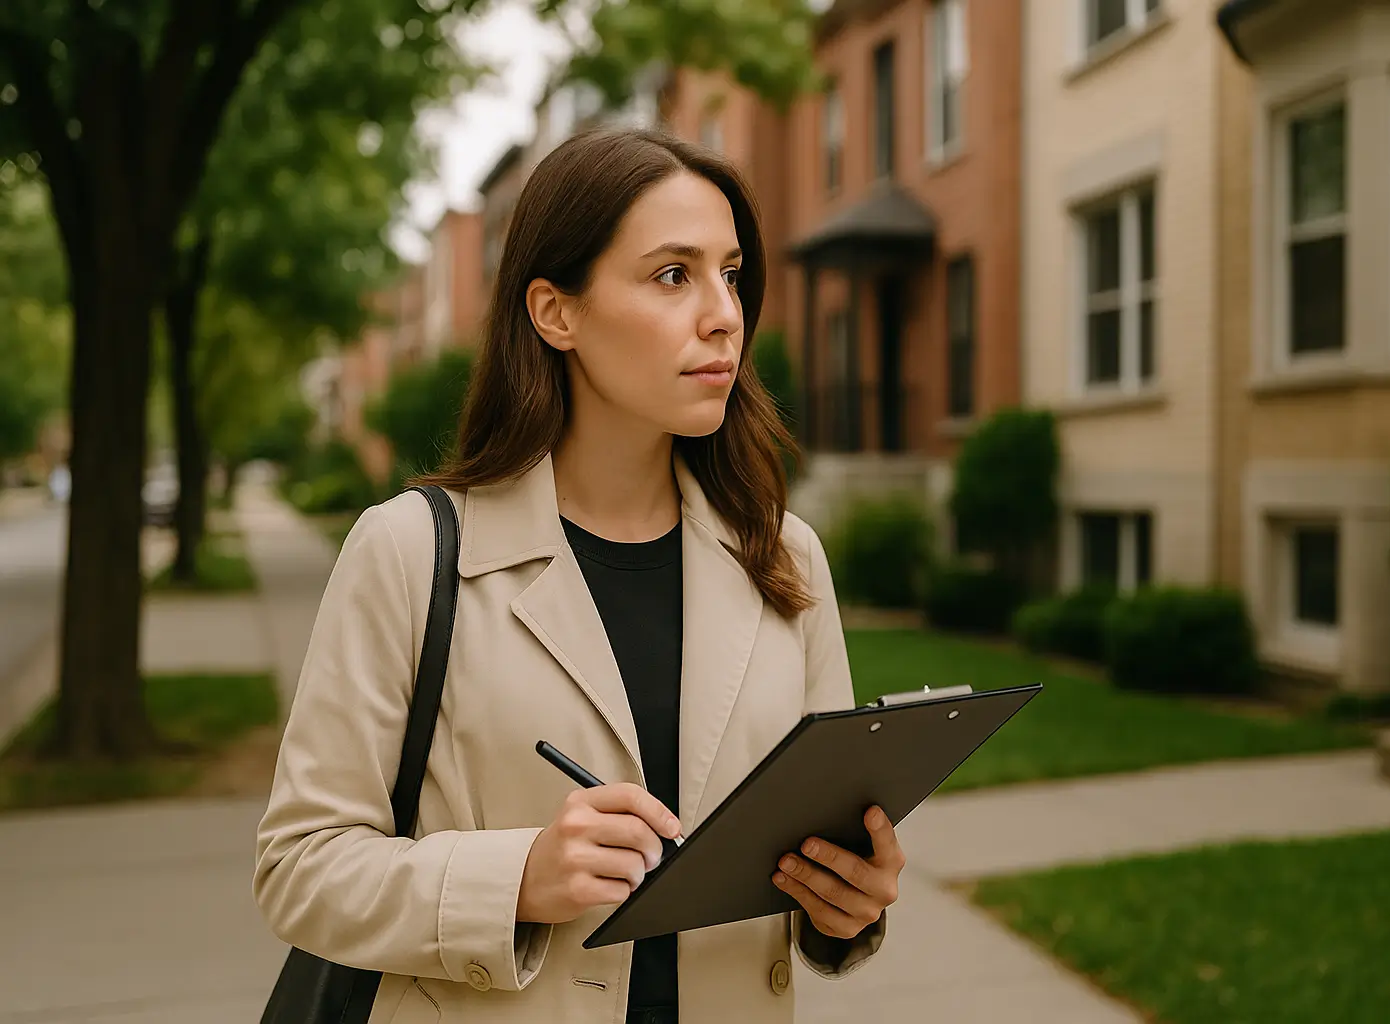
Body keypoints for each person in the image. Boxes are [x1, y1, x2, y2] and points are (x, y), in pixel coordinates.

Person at [253, 127, 903, 1024]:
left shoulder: (785, 559)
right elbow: (300, 867)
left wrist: (845, 908)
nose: (723, 313)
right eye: (673, 275)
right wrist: (515, 879)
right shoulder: (408, 551)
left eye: (731, 273)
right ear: (556, 312)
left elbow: (809, 863)